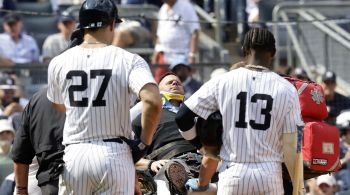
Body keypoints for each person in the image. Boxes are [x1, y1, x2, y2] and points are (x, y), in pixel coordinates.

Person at [47, 0, 162, 194]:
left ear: (81, 25)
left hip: (75, 155)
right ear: (111, 24)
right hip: (114, 153)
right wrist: (143, 143)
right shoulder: (128, 59)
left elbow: (58, 106)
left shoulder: (59, 61)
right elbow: (152, 101)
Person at [176, 28, 304, 194]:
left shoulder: (223, 81)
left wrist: (203, 147)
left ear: (244, 50)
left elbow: (182, 117)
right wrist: (299, 188)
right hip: (269, 174)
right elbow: (294, 144)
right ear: (273, 54)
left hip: (233, 173)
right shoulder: (287, 88)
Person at [10, 88, 65, 195]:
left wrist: (21, 190)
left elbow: (20, 153)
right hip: (95, 169)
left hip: (52, 181)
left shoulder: (38, 98)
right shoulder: (96, 91)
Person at [152, 0, 200, 82]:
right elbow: (159, 35)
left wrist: (192, 55)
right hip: (164, 53)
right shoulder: (163, 9)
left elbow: (194, 32)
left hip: (182, 55)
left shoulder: (186, 6)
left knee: (180, 83)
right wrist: (156, 53)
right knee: (160, 82)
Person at [0, 118, 15, 184]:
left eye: (8, 132)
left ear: (13, 136)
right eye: (1, 132)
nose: (4, 135)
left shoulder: (20, 152)